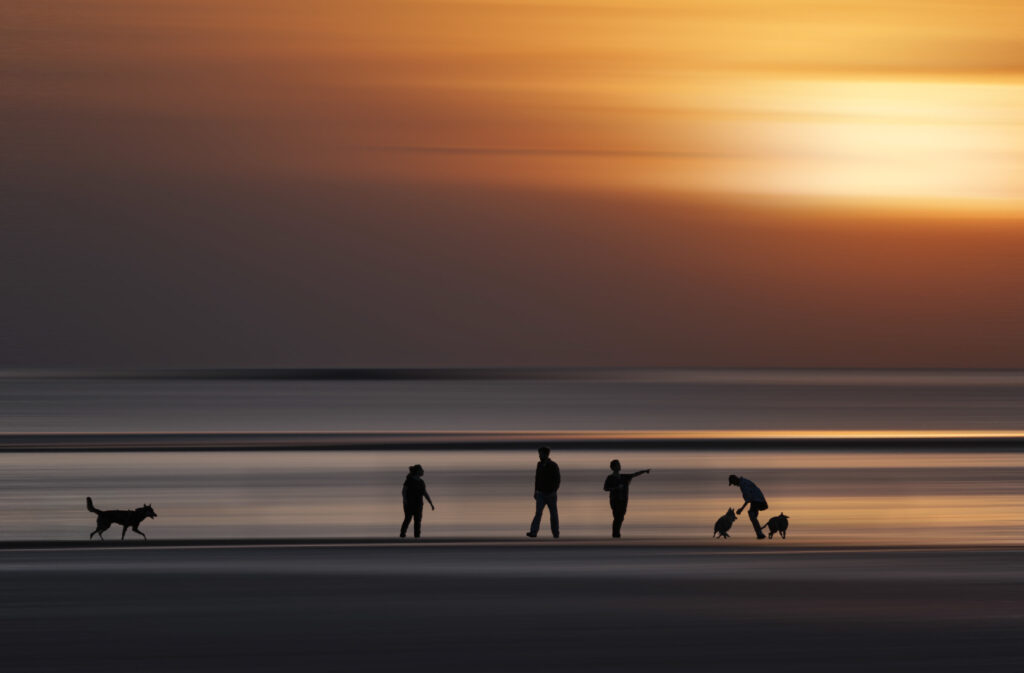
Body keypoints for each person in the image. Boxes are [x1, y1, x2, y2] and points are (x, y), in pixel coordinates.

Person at [603, 460, 650, 538]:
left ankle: (616, 533)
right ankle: (615, 534)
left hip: (623, 501)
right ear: (613, 467)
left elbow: (635, 474)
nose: (619, 466)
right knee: (617, 517)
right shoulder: (610, 478)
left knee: (621, 517)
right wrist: (616, 488)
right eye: (618, 465)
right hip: (615, 500)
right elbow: (605, 488)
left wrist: (644, 471)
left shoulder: (624, 477)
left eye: (619, 464)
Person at [527, 446, 560, 538]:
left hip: (551, 494)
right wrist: (535, 491)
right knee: (538, 513)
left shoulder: (553, 465)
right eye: (539, 454)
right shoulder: (539, 465)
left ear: (546, 454)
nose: (539, 455)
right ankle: (533, 532)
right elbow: (537, 479)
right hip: (540, 493)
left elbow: (557, 479)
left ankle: (555, 533)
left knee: (553, 514)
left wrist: (553, 490)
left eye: (541, 454)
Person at [729, 474, 768, 539]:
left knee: (751, 514)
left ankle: (759, 533)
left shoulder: (743, 484)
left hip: (759, 501)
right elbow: (750, 497)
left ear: (735, 480)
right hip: (757, 500)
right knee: (752, 515)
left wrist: (741, 509)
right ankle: (759, 531)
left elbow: (749, 498)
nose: (734, 485)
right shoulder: (743, 482)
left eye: (733, 483)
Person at [400, 464, 434, 538]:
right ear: (417, 471)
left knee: (417, 521)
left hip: (419, 505)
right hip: (409, 504)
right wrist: (405, 500)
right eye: (421, 470)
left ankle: (417, 536)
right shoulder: (409, 480)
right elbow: (404, 491)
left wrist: (430, 503)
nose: (423, 471)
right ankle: (402, 535)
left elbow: (424, 493)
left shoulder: (421, 482)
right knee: (408, 519)